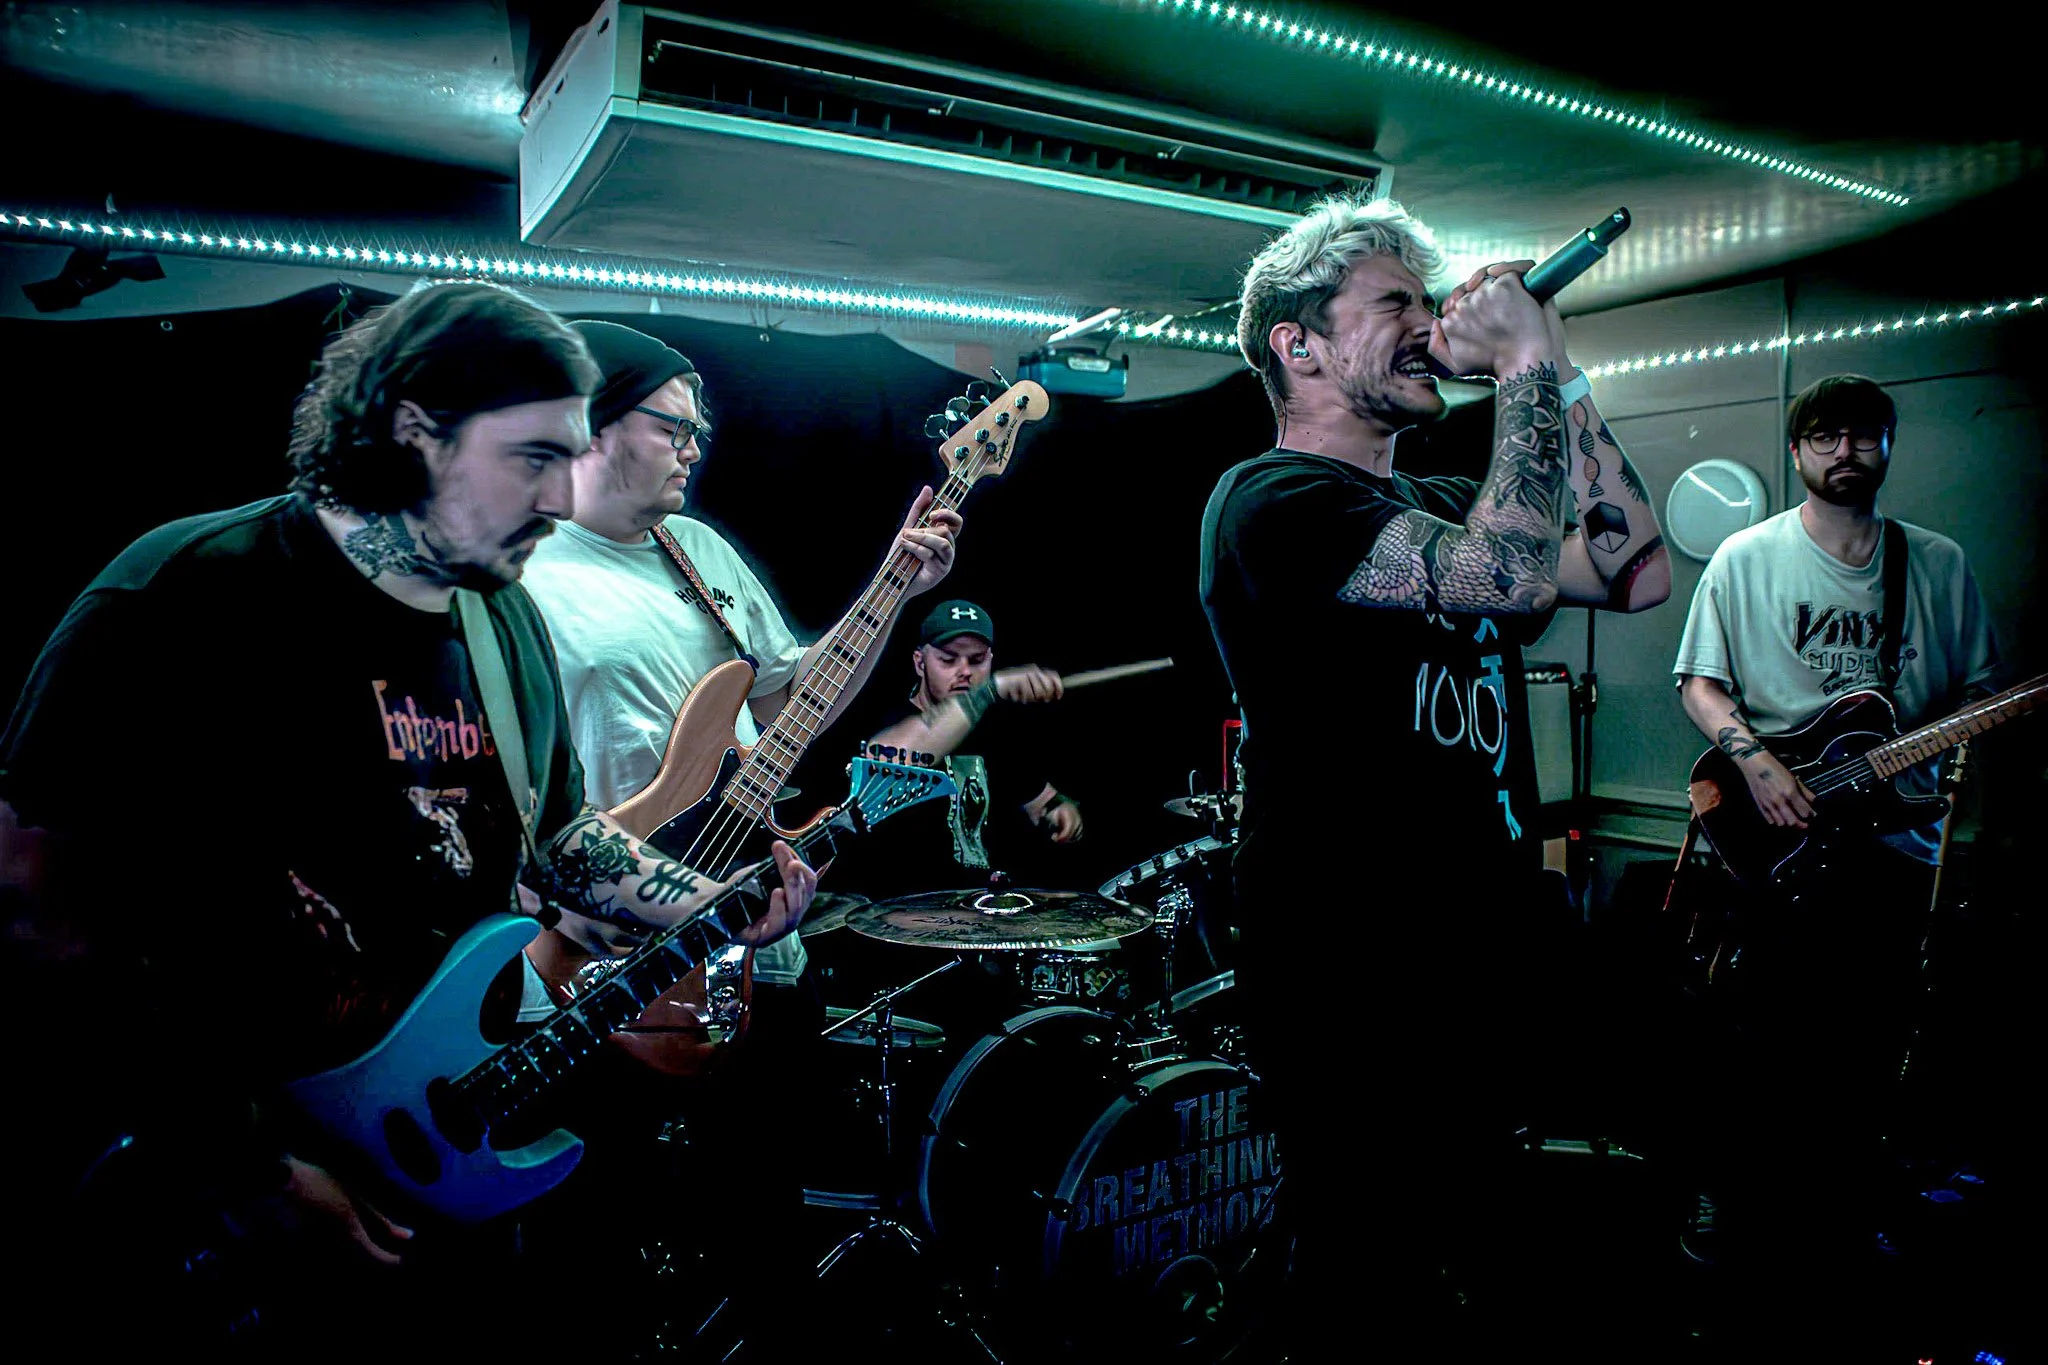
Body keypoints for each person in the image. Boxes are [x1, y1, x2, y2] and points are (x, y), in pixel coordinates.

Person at [0, 282, 816, 1353]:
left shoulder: (503, 621)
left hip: (438, 1141)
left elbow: (558, 835)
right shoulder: (189, 595)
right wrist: (248, 1170)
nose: (561, 499)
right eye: (533, 458)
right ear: (414, 431)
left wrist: (711, 901)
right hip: (214, 1183)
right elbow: (40, 919)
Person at [1198, 194, 1670, 1345]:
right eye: (1391, 304)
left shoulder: (1443, 501)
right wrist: (1515, 366)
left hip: (1481, 942)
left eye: (1428, 300)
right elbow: (1507, 578)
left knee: (1479, 1265)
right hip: (1350, 960)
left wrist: (1554, 366)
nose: (1424, 323)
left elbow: (1634, 569)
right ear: (1298, 345)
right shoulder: (1270, 501)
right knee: (1366, 1276)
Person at [512, 320, 962, 1350]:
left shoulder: (698, 552)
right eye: (673, 426)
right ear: (594, 424)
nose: (695, 446)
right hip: (601, 951)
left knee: (762, 1219)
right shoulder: (524, 570)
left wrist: (894, 587)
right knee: (599, 1234)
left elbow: (792, 698)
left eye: (700, 430)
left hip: (758, 942)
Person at [1670, 373, 2000, 1333]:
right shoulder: (1747, 556)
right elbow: (1699, 681)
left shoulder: (1936, 564)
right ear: (1798, 450)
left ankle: (1849, 1216)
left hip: (1895, 848)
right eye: (1825, 436)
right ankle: (1728, 1203)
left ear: (1889, 445)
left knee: (1872, 1040)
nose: (1845, 451)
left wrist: (1958, 750)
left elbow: (1979, 693)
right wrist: (1758, 762)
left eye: (1863, 435)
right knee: (1753, 1035)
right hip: (1771, 841)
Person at [850, 598, 1081, 893]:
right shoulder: (890, 720)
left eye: (976, 660)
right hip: (903, 908)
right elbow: (893, 757)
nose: (964, 671)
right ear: (920, 662)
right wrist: (990, 690)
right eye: (948, 660)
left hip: (983, 906)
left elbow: (1043, 801)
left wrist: (1060, 812)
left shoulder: (996, 731)